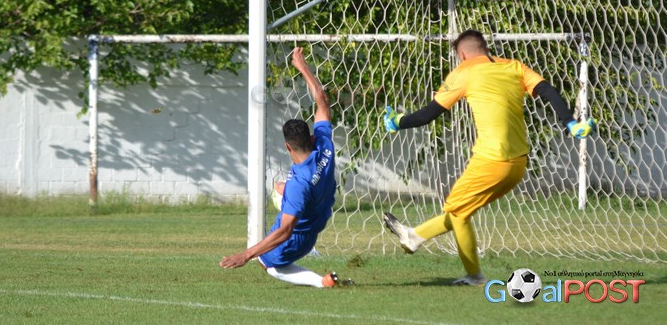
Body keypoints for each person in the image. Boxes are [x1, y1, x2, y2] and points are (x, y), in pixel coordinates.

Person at [382, 29, 595, 286]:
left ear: (462, 55)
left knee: (458, 214)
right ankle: (414, 237)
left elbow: (427, 115)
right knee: (461, 209)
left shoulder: (464, 72)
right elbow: (548, 90)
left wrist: (397, 122)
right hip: (517, 165)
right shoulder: (514, 66)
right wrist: (570, 123)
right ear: (485, 48)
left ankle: (475, 276)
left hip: (491, 161)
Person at [220, 47, 351, 288]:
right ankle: (324, 281)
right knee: (283, 191)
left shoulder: (299, 184)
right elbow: (322, 102)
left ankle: (321, 283)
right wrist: (303, 67)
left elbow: (285, 231)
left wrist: (245, 255)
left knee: (267, 263)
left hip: (298, 238)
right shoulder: (324, 144)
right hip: (319, 215)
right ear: (310, 138)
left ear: (287, 147)